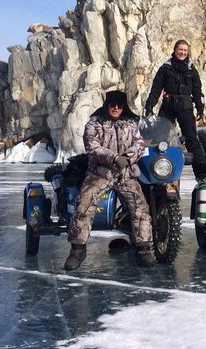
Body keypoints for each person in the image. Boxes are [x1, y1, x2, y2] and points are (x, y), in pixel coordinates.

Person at [64, 90, 156, 270]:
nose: (115, 108)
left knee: (140, 208)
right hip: (100, 174)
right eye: (113, 104)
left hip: (126, 175)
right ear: (107, 105)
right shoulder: (94, 123)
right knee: (84, 203)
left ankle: (144, 250)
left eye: (119, 105)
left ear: (124, 107)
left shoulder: (131, 124)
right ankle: (77, 249)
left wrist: (127, 159)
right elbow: (92, 146)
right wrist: (113, 158)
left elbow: (139, 144)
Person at [144, 39, 206, 180]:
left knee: (192, 139)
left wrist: (199, 106)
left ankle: (202, 174)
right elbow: (156, 89)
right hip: (168, 106)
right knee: (158, 137)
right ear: (174, 50)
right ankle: (156, 171)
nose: (182, 53)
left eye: (185, 50)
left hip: (185, 107)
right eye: (180, 50)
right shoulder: (165, 68)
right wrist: (149, 106)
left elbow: (197, 90)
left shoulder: (192, 69)